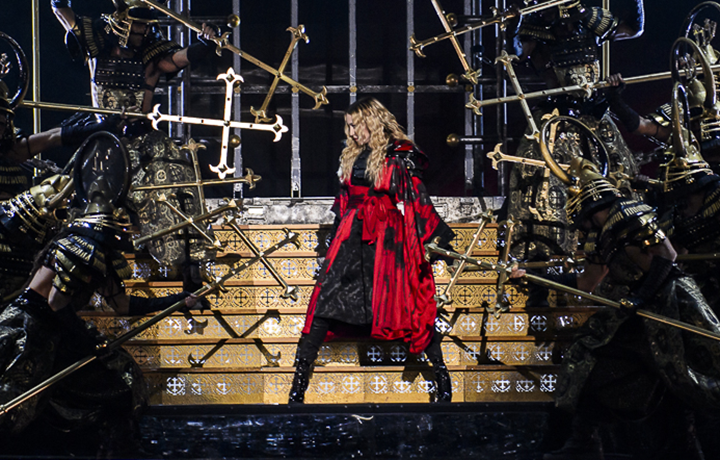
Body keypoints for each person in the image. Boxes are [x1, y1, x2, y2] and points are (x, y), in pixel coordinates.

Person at [512, 115, 720, 460]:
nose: (584, 227)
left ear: (592, 208)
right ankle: (582, 442)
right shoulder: (604, 233)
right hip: (638, 310)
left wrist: (640, 297)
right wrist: (532, 278)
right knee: (592, 356)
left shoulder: (630, 213)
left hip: (670, 302)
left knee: (687, 377)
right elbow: (587, 282)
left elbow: (667, 258)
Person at [0, 132, 200, 456]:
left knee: (120, 378)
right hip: (29, 332)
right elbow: (55, 303)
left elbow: (122, 305)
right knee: (16, 408)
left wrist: (177, 301)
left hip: (55, 331)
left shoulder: (103, 252)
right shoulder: (81, 245)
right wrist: (87, 339)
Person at [287, 98, 455, 404]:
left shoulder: (399, 153)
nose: (351, 133)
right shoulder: (351, 155)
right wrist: (332, 245)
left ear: (372, 122)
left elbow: (417, 199)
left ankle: (441, 375)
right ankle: (298, 383)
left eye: (355, 125)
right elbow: (344, 202)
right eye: (348, 127)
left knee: (408, 305)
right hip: (351, 238)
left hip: (388, 241)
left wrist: (440, 240)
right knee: (324, 304)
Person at [50, 0, 219, 280]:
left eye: (145, 25)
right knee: (75, 194)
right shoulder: (96, 48)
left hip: (143, 140)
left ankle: (190, 266)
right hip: (104, 139)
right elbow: (61, 11)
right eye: (138, 24)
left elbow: (179, 58)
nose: (143, 30)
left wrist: (205, 42)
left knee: (180, 176)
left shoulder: (151, 56)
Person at [506, 1, 645, 276]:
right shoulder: (539, 26)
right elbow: (516, 53)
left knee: (618, 177)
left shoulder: (587, 21)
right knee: (543, 188)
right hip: (557, 119)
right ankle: (545, 263)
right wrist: (514, 24)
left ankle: (624, 250)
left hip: (594, 117)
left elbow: (634, 29)